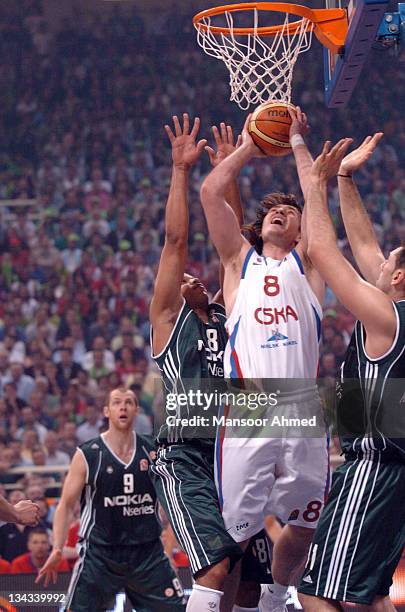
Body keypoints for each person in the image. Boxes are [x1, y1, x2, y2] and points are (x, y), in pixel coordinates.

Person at [200, 108, 329, 612]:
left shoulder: (311, 263)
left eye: (290, 212)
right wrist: (253, 142)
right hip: (249, 408)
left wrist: (296, 143)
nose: (281, 213)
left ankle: (277, 598)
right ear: (259, 227)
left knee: (304, 524)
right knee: (231, 535)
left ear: (301, 231)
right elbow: (212, 193)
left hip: (301, 408)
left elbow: (316, 207)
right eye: (273, 211)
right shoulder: (239, 262)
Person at [150, 114, 273, 612]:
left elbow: (237, 251)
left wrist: (227, 177)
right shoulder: (167, 321)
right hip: (186, 456)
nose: (196, 278)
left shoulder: (232, 313)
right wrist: (182, 171)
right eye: (186, 280)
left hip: (237, 453)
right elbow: (175, 243)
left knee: (249, 584)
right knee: (215, 569)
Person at [297, 134, 405, 611]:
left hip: (374, 471)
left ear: (397, 277)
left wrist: (316, 185)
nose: (379, 262)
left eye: (389, 263)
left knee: (314, 591)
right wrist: (345, 178)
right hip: (393, 477)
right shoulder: (392, 310)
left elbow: (323, 251)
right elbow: (363, 242)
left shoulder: (386, 317)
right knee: (371, 598)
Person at [36, 387, 186, 612]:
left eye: (129, 402)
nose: (123, 406)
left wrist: (169, 549)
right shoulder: (88, 453)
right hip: (100, 554)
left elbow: (174, 502)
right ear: (107, 411)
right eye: (116, 402)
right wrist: (57, 548)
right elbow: (66, 505)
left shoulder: (152, 449)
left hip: (148, 553)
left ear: (136, 410)